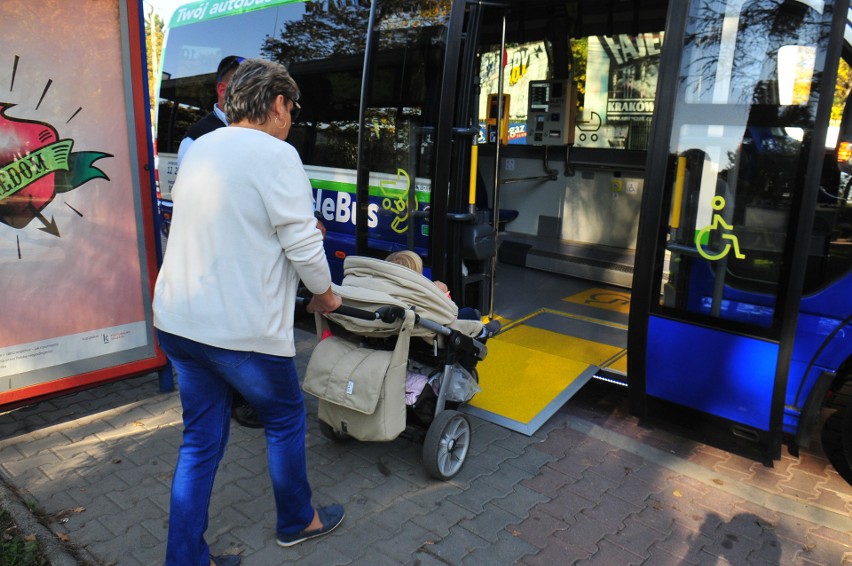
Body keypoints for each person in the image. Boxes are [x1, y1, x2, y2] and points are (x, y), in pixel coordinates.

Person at [153, 58, 345, 566]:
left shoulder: (202, 148)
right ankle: (297, 521)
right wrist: (325, 296)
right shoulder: (277, 154)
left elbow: (227, 222)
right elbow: (304, 248)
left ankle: (186, 558)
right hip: (238, 332)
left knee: (199, 442)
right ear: (278, 104)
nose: (293, 118)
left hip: (178, 321)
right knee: (284, 418)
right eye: (293, 107)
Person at [385, 250, 500, 337]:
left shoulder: (385, 294)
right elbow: (451, 315)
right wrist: (444, 295)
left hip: (398, 335)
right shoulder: (421, 296)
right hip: (430, 336)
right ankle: (482, 332)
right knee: (470, 313)